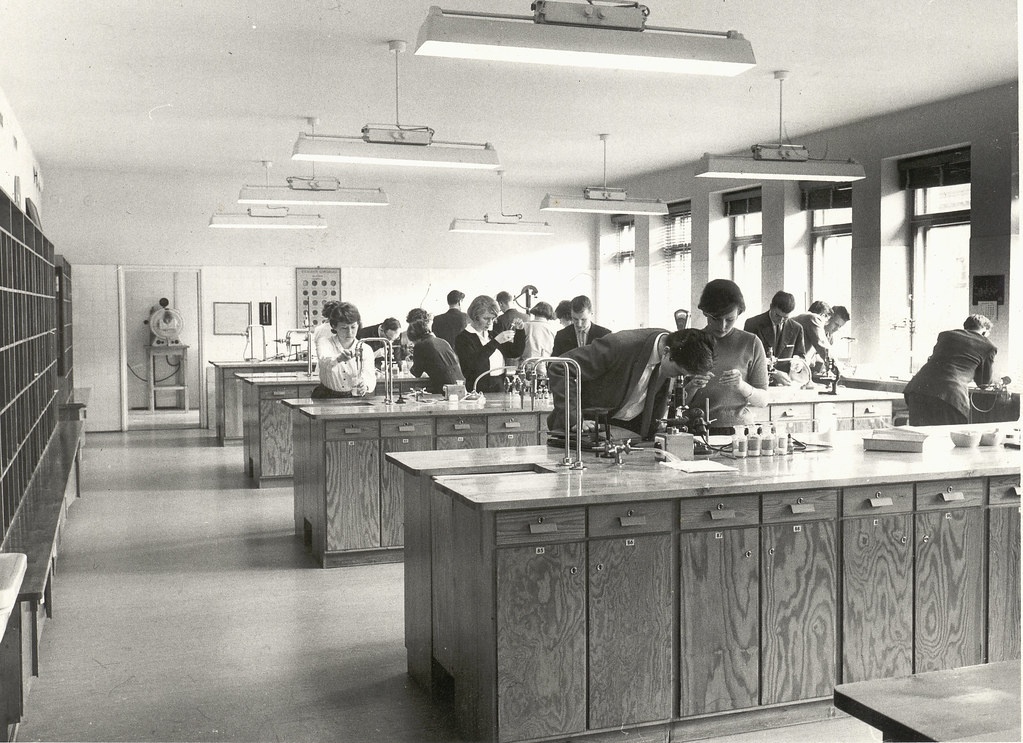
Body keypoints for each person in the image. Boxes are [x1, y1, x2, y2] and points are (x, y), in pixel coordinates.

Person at [547, 328, 716, 441]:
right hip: (586, 431)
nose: (679, 378)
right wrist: (574, 418)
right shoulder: (621, 345)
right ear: (666, 353)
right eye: (679, 373)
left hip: (627, 435)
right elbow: (561, 366)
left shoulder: (678, 348)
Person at [686, 279, 769, 431]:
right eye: (715, 319)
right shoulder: (690, 342)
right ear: (705, 312)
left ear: (739, 313)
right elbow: (674, 404)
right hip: (698, 431)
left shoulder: (751, 343)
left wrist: (741, 386)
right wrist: (692, 386)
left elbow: (763, 401)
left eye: (730, 319)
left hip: (739, 432)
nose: (722, 326)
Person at [903, 314, 998, 426]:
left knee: (921, 438)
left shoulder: (946, 335)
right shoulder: (988, 345)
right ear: (985, 331)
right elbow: (984, 382)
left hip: (917, 390)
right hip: (948, 396)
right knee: (948, 438)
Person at [454, 295, 526, 392]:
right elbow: (473, 366)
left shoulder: (491, 334)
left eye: (492, 319)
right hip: (479, 389)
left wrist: (520, 331)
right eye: (486, 318)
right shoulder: (463, 338)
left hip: (500, 385)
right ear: (475, 317)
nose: (490, 322)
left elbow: (515, 352)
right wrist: (496, 342)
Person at [312, 302, 377, 399]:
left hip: (353, 397)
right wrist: (338, 358)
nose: (350, 332)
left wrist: (365, 385)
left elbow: (369, 375)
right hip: (326, 396)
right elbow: (324, 361)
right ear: (334, 326)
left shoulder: (365, 349)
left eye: (353, 327)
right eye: (344, 328)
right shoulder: (325, 342)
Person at [743, 291, 807, 360]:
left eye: (785, 318)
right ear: (771, 306)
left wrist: (798, 364)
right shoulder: (752, 324)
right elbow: (745, 355)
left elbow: (801, 356)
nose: (780, 320)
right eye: (777, 315)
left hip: (786, 371)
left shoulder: (797, 328)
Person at [406, 319, 462, 394]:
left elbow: (416, 372)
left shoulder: (420, 345)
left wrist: (409, 363)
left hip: (444, 387)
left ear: (415, 338)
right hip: (460, 383)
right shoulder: (442, 341)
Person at [793, 300, 834, 368]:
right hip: (795, 367)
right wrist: (835, 365)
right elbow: (823, 346)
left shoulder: (799, 318)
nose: (824, 326)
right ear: (823, 315)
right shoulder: (814, 318)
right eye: (826, 322)